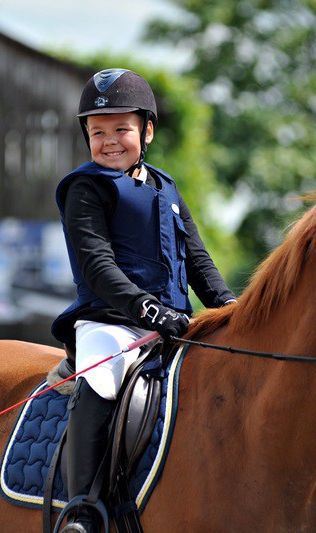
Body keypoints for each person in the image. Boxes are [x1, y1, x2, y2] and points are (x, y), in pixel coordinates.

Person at [51, 68, 236, 533]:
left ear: (146, 130)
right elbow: (98, 266)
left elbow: (199, 262)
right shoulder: (85, 187)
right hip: (111, 324)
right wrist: (146, 309)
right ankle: (82, 510)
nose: (109, 141)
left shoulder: (167, 188)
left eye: (121, 130)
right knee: (103, 378)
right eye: (98, 132)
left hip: (174, 324)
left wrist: (230, 309)